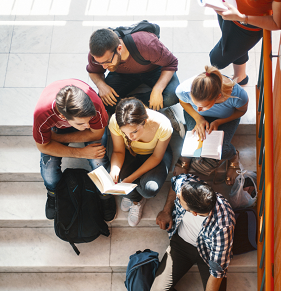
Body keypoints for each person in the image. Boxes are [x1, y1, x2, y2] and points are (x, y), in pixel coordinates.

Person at [33, 79, 116, 221]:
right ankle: (53, 193)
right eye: (81, 123)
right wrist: (81, 153)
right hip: (56, 127)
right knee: (49, 170)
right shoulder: (43, 114)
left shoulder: (94, 105)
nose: (87, 125)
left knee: (98, 162)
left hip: (60, 132)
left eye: (89, 120)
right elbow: (43, 146)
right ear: (62, 117)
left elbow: (95, 133)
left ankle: (105, 193)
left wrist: (56, 139)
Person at [86, 27, 184, 136]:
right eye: (100, 63)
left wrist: (158, 89)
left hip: (153, 69)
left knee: (172, 95)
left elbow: (171, 63)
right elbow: (93, 72)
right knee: (105, 101)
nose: (104, 67)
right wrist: (101, 85)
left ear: (119, 48)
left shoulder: (147, 44)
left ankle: (157, 112)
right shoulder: (96, 55)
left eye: (107, 61)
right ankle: (151, 108)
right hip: (123, 74)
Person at [175, 65, 248, 185]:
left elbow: (241, 111)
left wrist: (219, 122)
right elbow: (183, 101)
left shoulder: (237, 95)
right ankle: (187, 156)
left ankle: (234, 156)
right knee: (193, 139)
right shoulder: (183, 90)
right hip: (195, 117)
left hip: (226, 118)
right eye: (195, 103)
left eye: (203, 106)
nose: (199, 108)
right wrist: (198, 117)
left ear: (218, 97)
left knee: (221, 149)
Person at [109, 97, 173, 227]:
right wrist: (114, 170)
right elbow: (118, 151)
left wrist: (131, 178)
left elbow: (156, 157)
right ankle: (136, 200)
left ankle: (135, 195)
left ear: (144, 121)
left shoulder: (163, 125)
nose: (130, 137)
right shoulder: (115, 121)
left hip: (155, 154)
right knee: (120, 177)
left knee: (149, 189)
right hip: (130, 153)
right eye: (125, 133)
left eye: (134, 131)